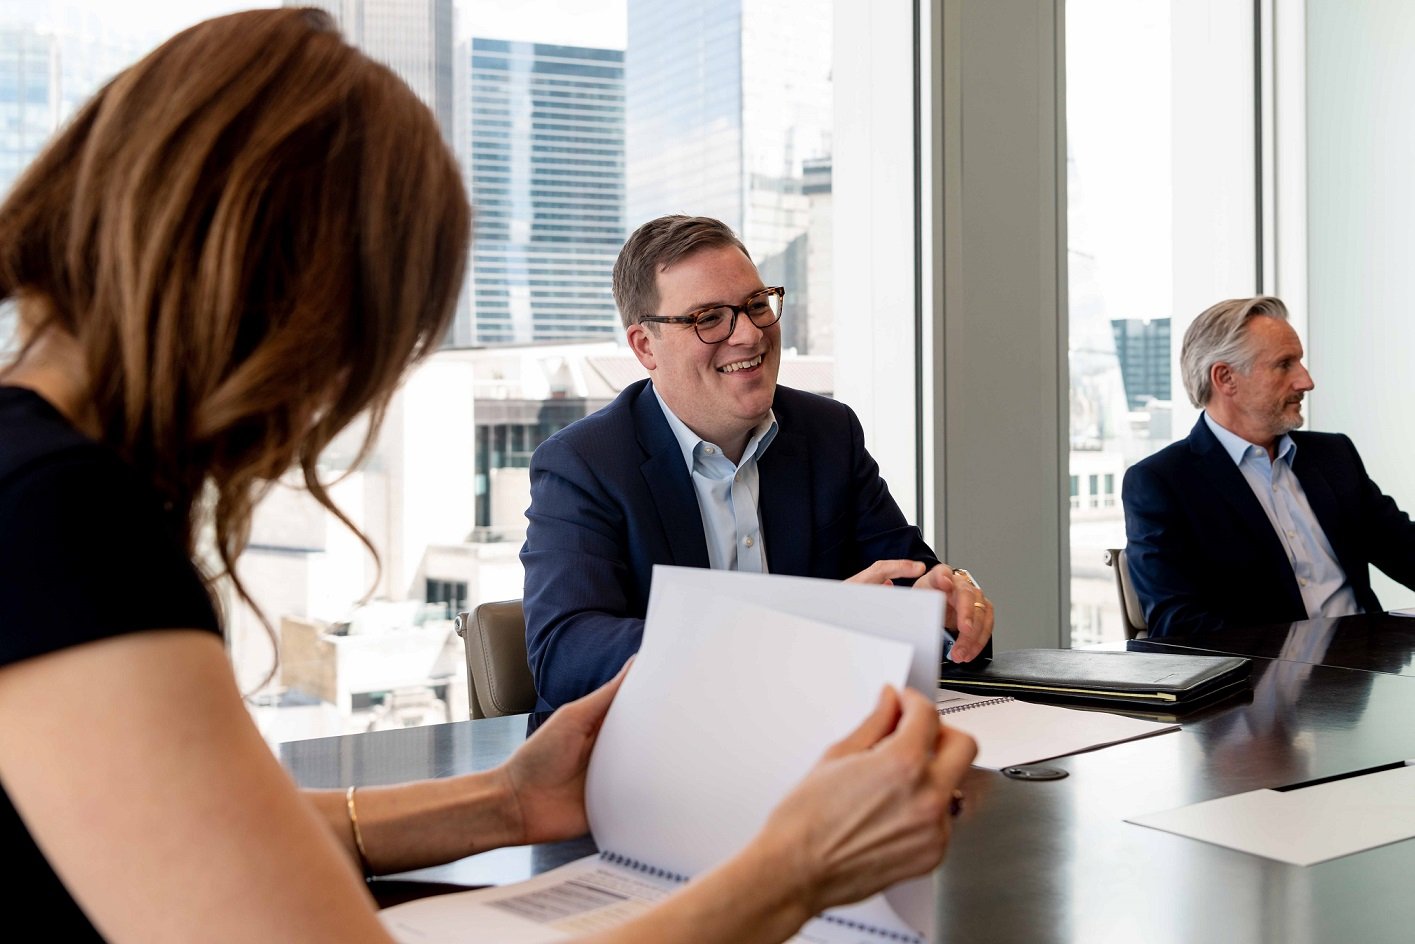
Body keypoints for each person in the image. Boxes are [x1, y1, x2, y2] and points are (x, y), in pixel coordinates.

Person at [0, 10, 978, 943]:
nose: (329, 406)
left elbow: (187, 824)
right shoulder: (58, 517)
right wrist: (797, 865)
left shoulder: (32, 474)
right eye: (362, 340)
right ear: (271, 292)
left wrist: (504, 799)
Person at [521, 215, 996, 710]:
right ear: (645, 347)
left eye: (755, 305)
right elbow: (566, 655)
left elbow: (906, 580)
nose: (748, 334)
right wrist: (794, 630)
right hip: (655, 755)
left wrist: (945, 605)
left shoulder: (827, 433)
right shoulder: (584, 463)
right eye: (707, 318)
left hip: (821, 734)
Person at [1122, 295, 1415, 637]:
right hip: (1263, 682)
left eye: (1300, 362)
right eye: (1284, 364)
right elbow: (1179, 624)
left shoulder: (1334, 455)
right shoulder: (1162, 482)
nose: (1306, 381)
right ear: (1225, 378)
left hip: (1372, 672)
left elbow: (1404, 548)